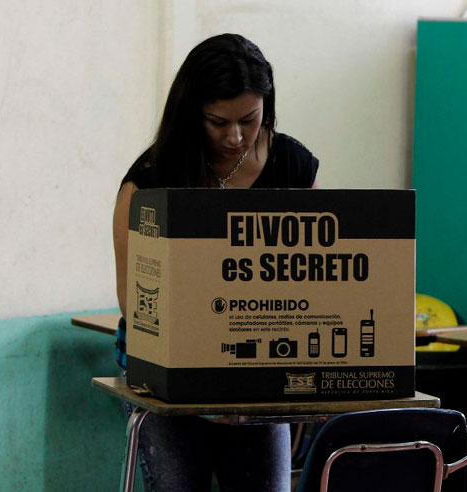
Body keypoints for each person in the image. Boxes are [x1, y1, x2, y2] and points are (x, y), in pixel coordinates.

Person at [112, 33, 319, 492]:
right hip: (166, 374)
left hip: (262, 370)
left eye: (249, 119)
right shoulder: (150, 182)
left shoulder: (294, 168)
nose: (235, 136)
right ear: (191, 114)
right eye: (217, 122)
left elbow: (318, 275)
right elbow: (135, 302)